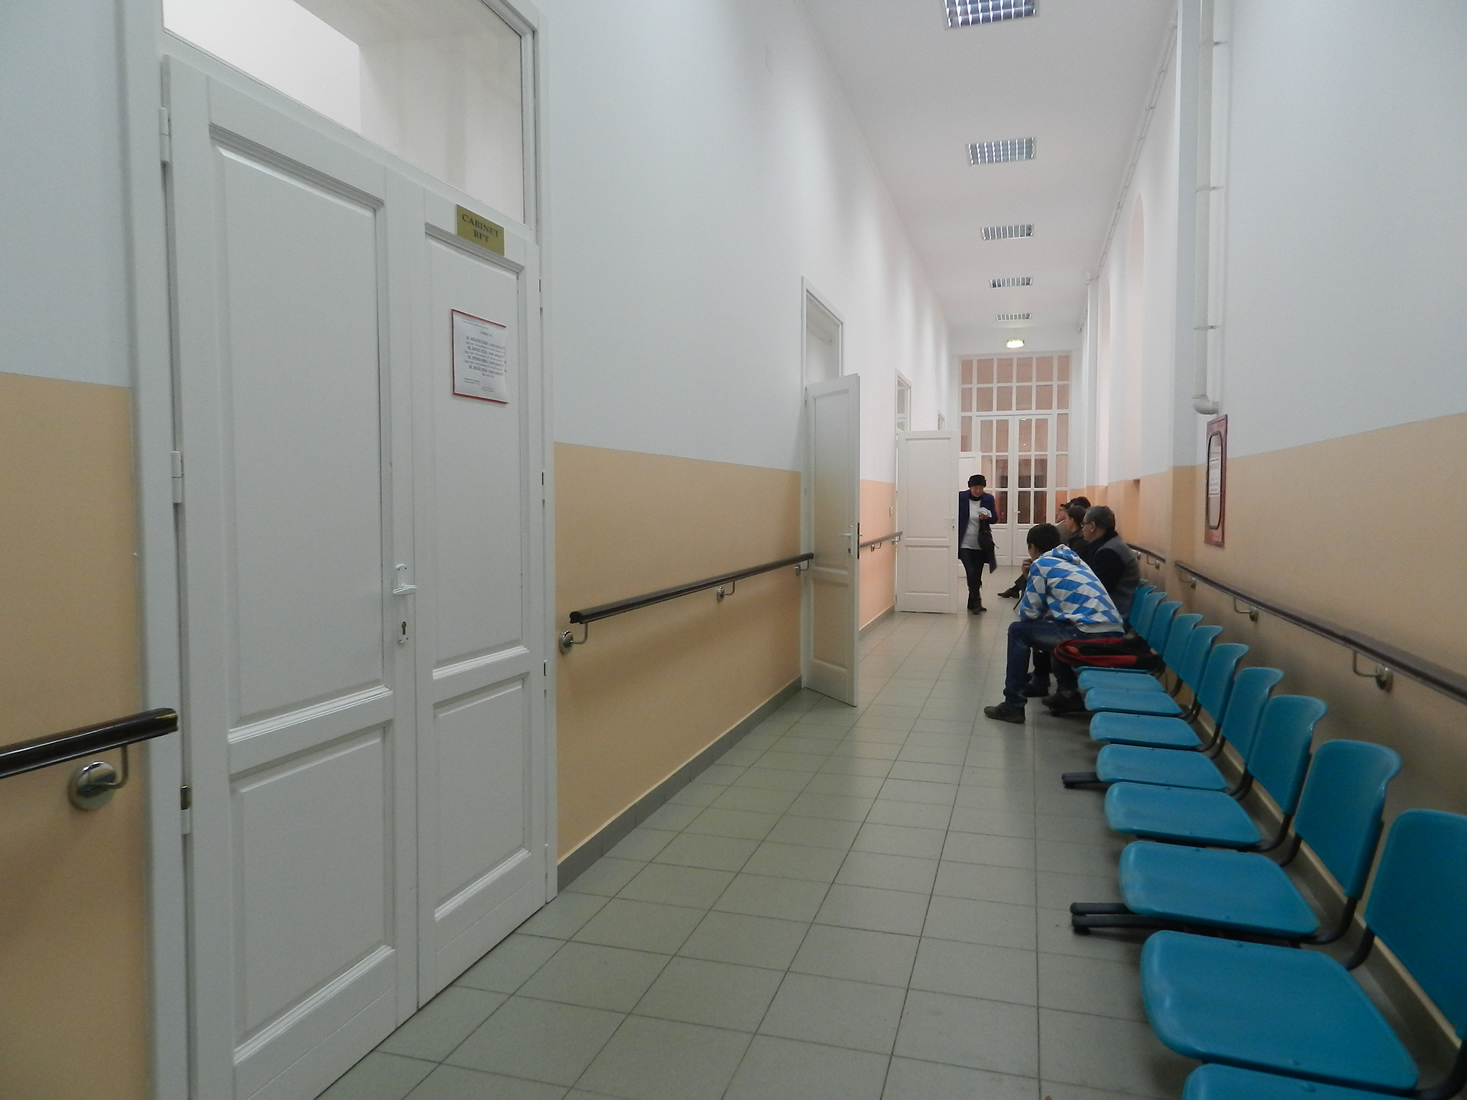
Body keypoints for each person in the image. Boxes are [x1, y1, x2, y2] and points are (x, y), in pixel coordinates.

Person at [983, 523, 1124, 724]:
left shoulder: (1042, 564)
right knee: (1052, 624)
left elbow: (1028, 613)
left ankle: (1013, 704)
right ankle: (1067, 694)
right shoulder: (1076, 562)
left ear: (1032, 547)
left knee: (1018, 632)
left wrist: (1029, 578)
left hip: (1089, 633)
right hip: (1112, 631)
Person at [997, 496, 1090, 599]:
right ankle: (1016, 589)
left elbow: (1032, 606)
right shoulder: (1074, 537)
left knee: (1036, 567)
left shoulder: (1076, 539)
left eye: (1067, 517)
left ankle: (1017, 588)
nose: (1065, 520)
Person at [957, 474, 997, 613]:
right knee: (971, 571)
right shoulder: (960, 498)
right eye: (975, 488)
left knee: (977, 573)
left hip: (980, 542)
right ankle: (977, 600)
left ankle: (971, 601)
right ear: (970, 487)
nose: (978, 491)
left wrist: (987, 517)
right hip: (964, 542)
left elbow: (995, 518)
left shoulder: (988, 499)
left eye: (980, 488)